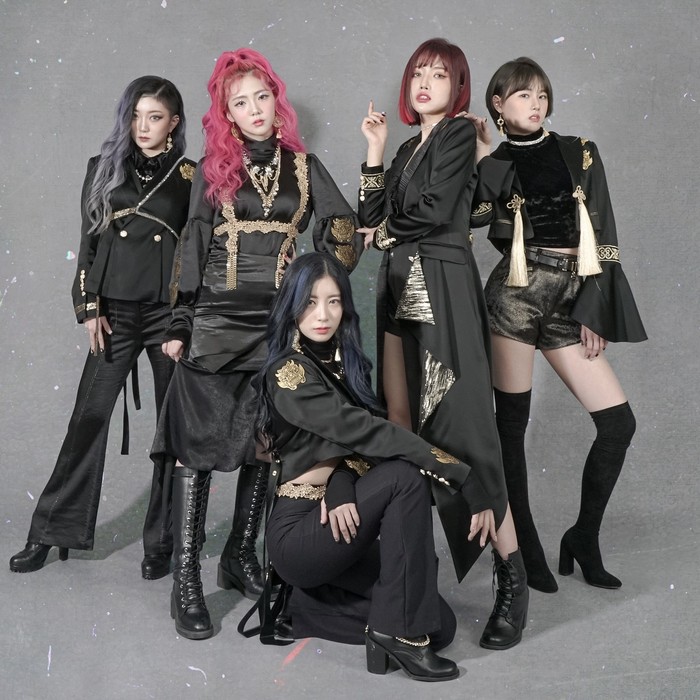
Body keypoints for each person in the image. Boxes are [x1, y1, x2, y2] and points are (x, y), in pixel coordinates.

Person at [152, 49, 363, 640]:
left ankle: (240, 555)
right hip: (217, 321)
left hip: (276, 324)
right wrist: (179, 322)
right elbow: (192, 244)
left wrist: (315, 281)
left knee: (263, 441)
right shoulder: (212, 168)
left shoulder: (304, 167)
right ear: (227, 113)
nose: (254, 110)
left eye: (261, 97)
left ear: (276, 100)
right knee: (197, 447)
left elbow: (343, 231)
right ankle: (186, 578)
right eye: (240, 102)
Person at [257, 251, 504, 681]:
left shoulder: (342, 366)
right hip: (299, 533)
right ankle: (397, 634)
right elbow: (366, 433)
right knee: (404, 478)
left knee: (439, 626)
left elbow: (357, 451)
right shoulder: (288, 374)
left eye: (333, 301)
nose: (322, 315)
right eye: (310, 302)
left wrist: (341, 481)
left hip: (342, 522)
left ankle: (306, 610)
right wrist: (460, 475)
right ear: (291, 305)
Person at [358, 38, 527, 649]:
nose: (425, 83)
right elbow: (368, 213)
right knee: (402, 423)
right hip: (399, 286)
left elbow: (429, 213)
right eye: (418, 74)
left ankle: (512, 579)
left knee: (467, 432)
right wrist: (375, 151)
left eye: (439, 74)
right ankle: (413, 570)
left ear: (458, 87)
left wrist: (383, 235)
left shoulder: (456, 133)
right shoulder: (407, 148)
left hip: (442, 285)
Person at [470, 57, 646, 593]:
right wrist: (483, 159)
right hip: (517, 294)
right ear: (498, 105)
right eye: (524, 95)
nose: (537, 103)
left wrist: (597, 305)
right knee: (511, 428)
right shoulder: (497, 161)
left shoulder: (580, 150)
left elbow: (605, 232)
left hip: (573, 294)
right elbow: (476, 220)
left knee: (618, 424)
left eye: (542, 94)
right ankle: (524, 545)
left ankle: (583, 538)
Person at [9, 76, 194, 580]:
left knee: (172, 430)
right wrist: (89, 306)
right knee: (87, 418)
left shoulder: (190, 176)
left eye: (154, 117)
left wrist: (184, 320)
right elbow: (88, 242)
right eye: (135, 116)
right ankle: (51, 532)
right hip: (113, 311)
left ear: (174, 123)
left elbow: (196, 253)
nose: (142, 126)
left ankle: (162, 542)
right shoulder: (103, 167)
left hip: (165, 314)